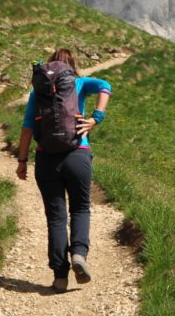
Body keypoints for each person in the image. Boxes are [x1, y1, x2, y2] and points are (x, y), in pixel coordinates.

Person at [16, 48, 111, 293]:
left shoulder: (38, 92)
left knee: (56, 216)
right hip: (77, 153)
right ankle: (79, 254)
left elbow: (27, 129)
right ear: (71, 66)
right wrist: (96, 118)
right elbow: (106, 85)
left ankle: (60, 275)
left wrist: (22, 161)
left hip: (47, 158)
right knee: (80, 207)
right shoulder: (78, 82)